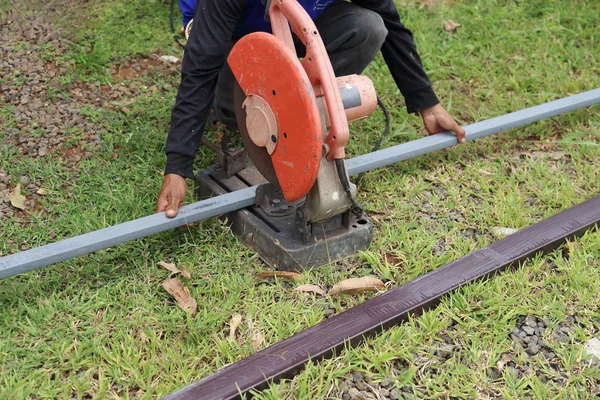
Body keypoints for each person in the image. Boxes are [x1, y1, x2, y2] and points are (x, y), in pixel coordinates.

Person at [157, 0, 466, 218]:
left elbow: (392, 25)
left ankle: (297, 105)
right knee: (225, 89)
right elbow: (201, 66)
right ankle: (234, 109)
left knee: (368, 26)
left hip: (293, 31)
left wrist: (427, 102)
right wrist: (178, 164)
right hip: (233, 43)